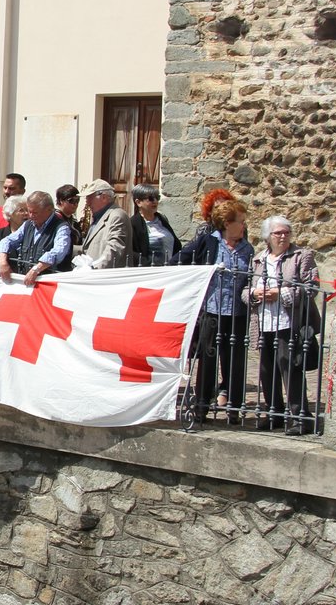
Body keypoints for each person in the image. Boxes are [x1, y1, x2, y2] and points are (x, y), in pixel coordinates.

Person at [178, 199, 254, 424]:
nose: (243, 226)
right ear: (227, 223)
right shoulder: (208, 243)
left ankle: (234, 409)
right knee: (208, 359)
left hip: (238, 312)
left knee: (235, 362)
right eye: (240, 222)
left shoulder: (247, 248)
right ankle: (201, 407)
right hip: (212, 310)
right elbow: (181, 260)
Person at [243, 215, 319, 434]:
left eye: (286, 232)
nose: (283, 236)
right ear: (268, 236)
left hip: (288, 323)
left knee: (291, 369)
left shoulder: (301, 256)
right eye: (278, 233)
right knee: (267, 370)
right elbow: (245, 291)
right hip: (264, 322)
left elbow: (311, 287)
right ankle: (274, 412)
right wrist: (255, 294)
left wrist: (281, 293)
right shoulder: (258, 260)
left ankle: (299, 417)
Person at [0, 191, 75, 284]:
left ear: (49, 210)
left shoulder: (62, 227)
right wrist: (3, 262)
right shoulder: (28, 224)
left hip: (50, 284)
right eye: (29, 211)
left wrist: (36, 269)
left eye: (35, 212)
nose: (30, 215)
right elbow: (7, 241)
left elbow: (59, 251)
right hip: (27, 283)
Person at [76, 179, 131, 270]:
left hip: (106, 278)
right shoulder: (98, 217)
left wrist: (94, 268)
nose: (87, 202)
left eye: (90, 197)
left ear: (104, 197)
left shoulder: (117, 216)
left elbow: (114, 248)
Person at [129, 185, 182, 266]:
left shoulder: (162, 219)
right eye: (150, 198)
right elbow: (132, 253)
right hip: (150, 271)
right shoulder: (133, 223)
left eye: (157, 197)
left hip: (170, 269)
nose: (155, 201)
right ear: (138, 202)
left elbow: (175, 245)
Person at [0, 173, 27, 238]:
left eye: (11, 188)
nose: (6, 192)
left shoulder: (28, 213)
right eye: (5, 188)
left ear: (22, 191)